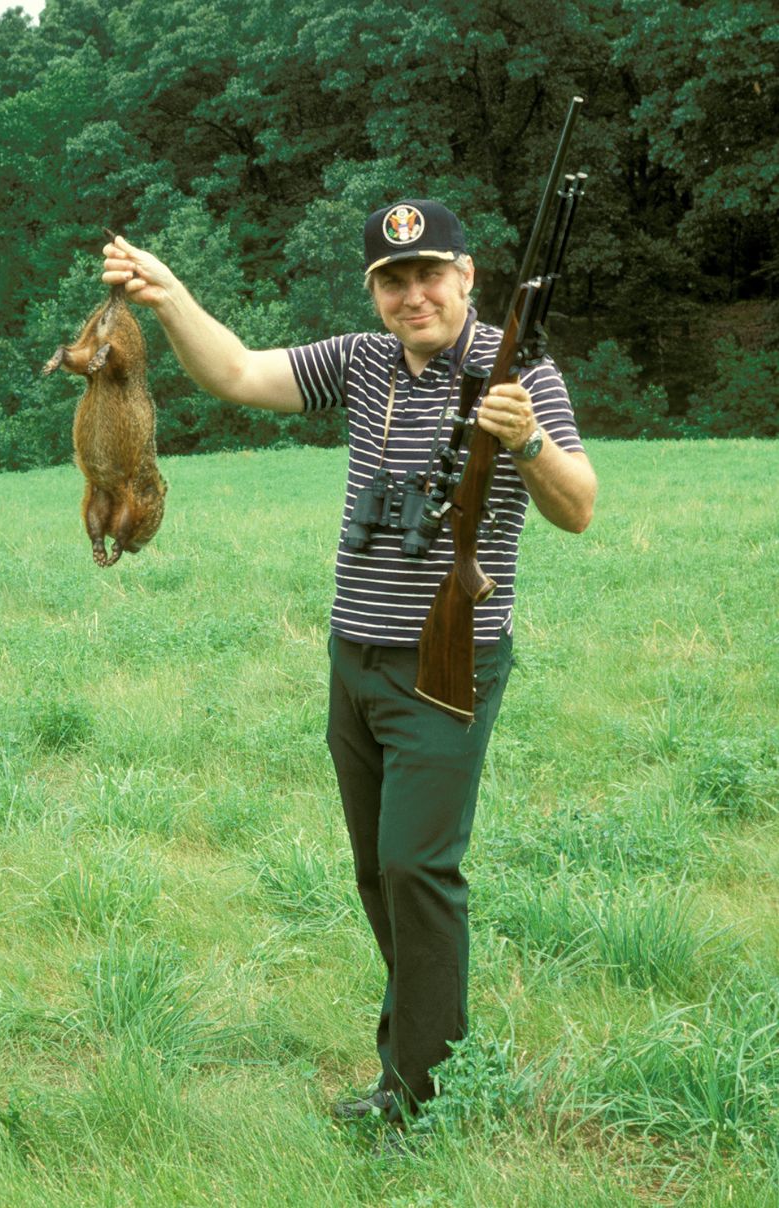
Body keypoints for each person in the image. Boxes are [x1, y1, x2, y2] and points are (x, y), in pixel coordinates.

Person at [102, 200, 597, 1140]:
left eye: (431, 275)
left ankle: (426, 1090)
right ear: (376, 292)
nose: (415, 295)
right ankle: (425, 1053)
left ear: (468, 277)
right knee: (379, 872)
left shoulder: (520, 369)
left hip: (448, 665)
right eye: (393, 280)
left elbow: (579, 507)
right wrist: (169, 297)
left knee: (417, 866)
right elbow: (242, 373)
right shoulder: (362, 360)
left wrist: (526, 438)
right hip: (354, 660)